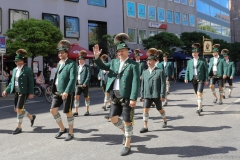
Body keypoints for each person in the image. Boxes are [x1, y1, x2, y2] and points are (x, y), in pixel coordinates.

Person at [93, 33, 139, 156]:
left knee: (127, 121)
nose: (121, 53)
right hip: (115, 95)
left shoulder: (134, 65)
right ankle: (126, 132)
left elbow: (135, 83)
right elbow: (102, 65)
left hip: (127, 96)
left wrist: (134, 98)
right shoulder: (114, 63)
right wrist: (97, 57)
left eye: (123, 50)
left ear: (128, 51)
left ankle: (127, 145)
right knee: (113, 118)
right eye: (119, 51)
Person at [1, 49, 36, 134]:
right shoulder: (15, 70)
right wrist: (6, 90)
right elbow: (12, 82)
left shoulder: (27, 70)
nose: (18, 63)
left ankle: (19, 127)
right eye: (17, 61)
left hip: (24, 92)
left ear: (23, 61)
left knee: (19, 109)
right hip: (16, 92)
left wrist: (31, 92)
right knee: (17, 110)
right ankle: (31, 117)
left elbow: (31, 82)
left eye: (20, 61)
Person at [50, 40, 77, 141]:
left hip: (67, 92)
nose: (60, 54)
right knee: (53, 110)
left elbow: (72, 79)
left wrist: (66, 91)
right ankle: (62, 128)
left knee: (68, 112)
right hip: (57, 91)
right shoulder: (59, 63)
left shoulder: (71, 64)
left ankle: (71, 132)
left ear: (66, 53)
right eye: (59, 53)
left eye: (62, 52)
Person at [140, 48, 167, 133]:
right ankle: (145, 126)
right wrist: (142, 95)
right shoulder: (144, 72)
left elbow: (163, 84)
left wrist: (162, 95)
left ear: (155, 61)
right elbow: (142, 85)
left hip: (156, 94)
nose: (148, 62)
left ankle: (164, 120)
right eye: (147, 61)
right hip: (147, 94)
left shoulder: (160, 71)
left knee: (160, 109)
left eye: (150, 60)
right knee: (145, 109)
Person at [184, 43, 209, 116]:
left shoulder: (203, 60)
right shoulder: (189, 61)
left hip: (200, 79)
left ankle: (198, 108)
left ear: (198, 53)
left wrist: (206, 79)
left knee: (199, 93)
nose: (194, 54)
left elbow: (206, 70)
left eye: (195, 52)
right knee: (197, 94)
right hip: (193, 79)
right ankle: (200, 106)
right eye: (193, 53)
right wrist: (186, 78)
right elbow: (187, 70)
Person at [73, 50, 91, 116]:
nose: (80, 61)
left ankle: (87, 110)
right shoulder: (77, 67)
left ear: (84, 60)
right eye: (79, 59)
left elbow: (88, 76)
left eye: (81, 59)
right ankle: (76, 111)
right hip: (78, 84)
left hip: (84, 85)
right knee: (76, 97)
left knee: (86, 97)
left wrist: (85, 83)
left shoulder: (87, 67)